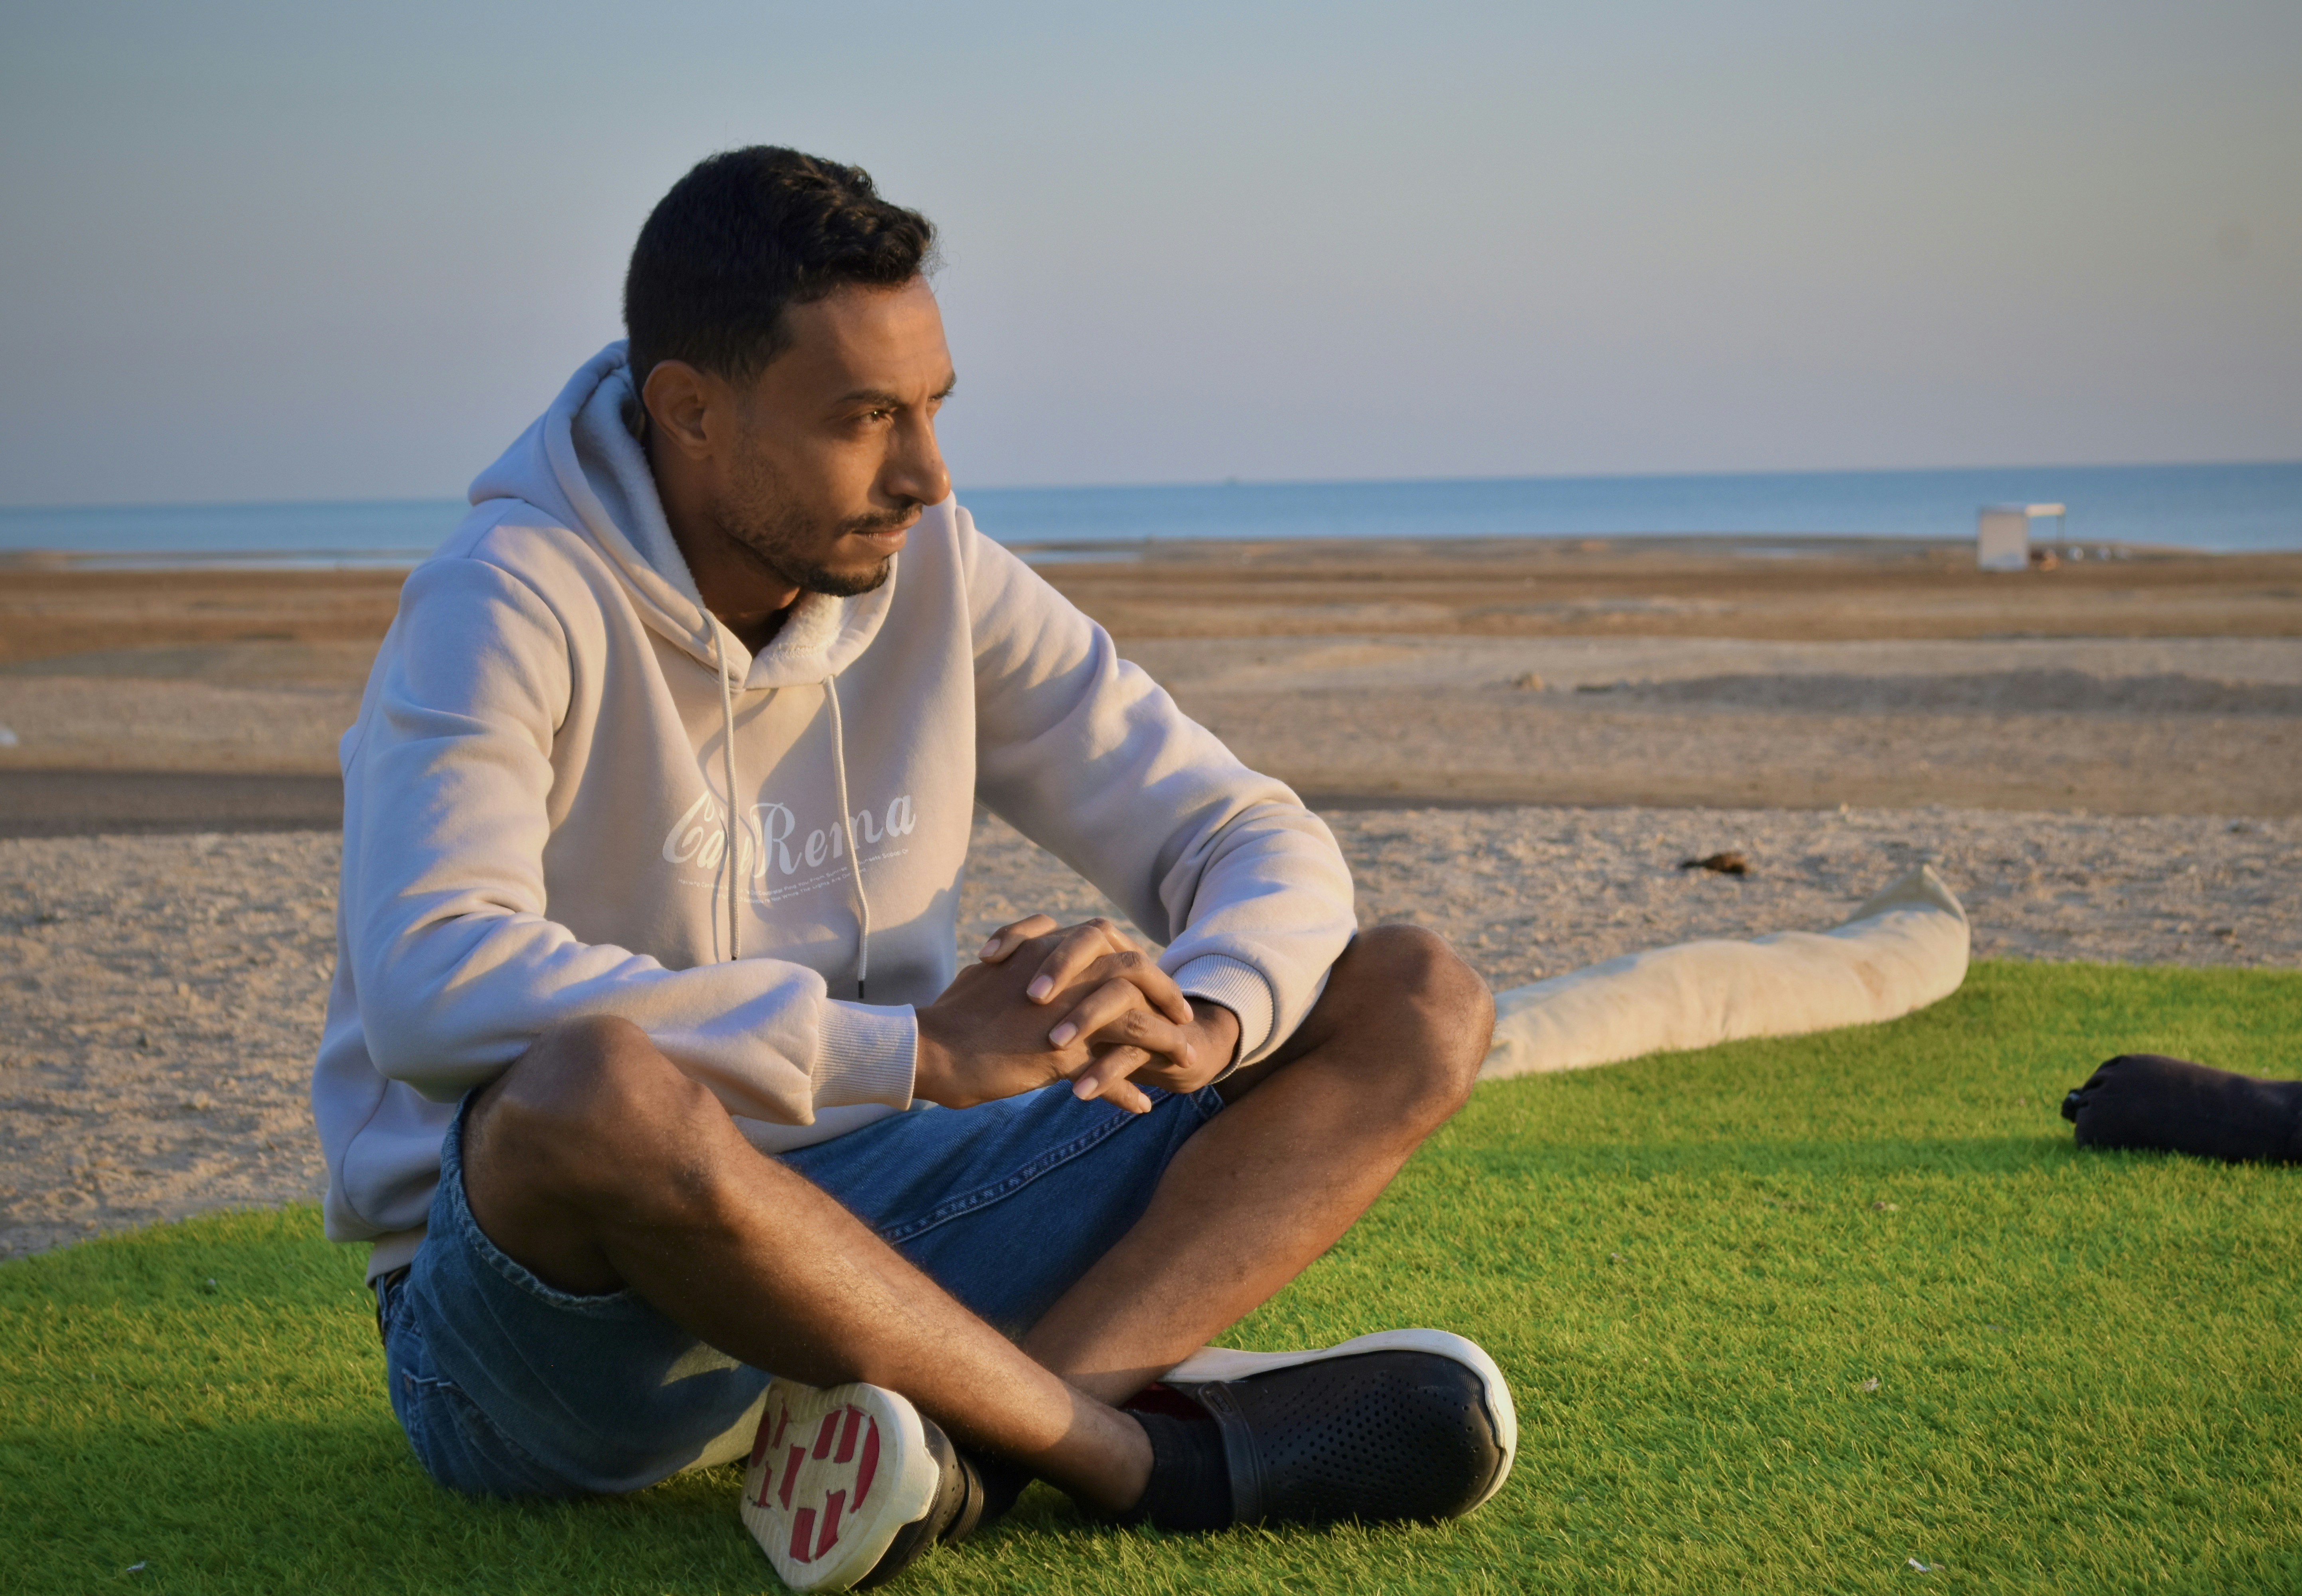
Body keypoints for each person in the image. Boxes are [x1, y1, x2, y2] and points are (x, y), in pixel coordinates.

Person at [311, 146, 1508, 1588]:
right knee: (590, 1087)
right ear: (689, 410)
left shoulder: (935, 566)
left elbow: (1245, 833)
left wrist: (1211, 1012)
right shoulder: (504, 598)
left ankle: (963, 1455)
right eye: (865, 418)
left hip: (885, 1219)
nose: (927, 473)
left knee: (1414, 995)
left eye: (933, 408)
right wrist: (915, 1050)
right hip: (550, 1336)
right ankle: (1127, 1456)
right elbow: (433, 985)